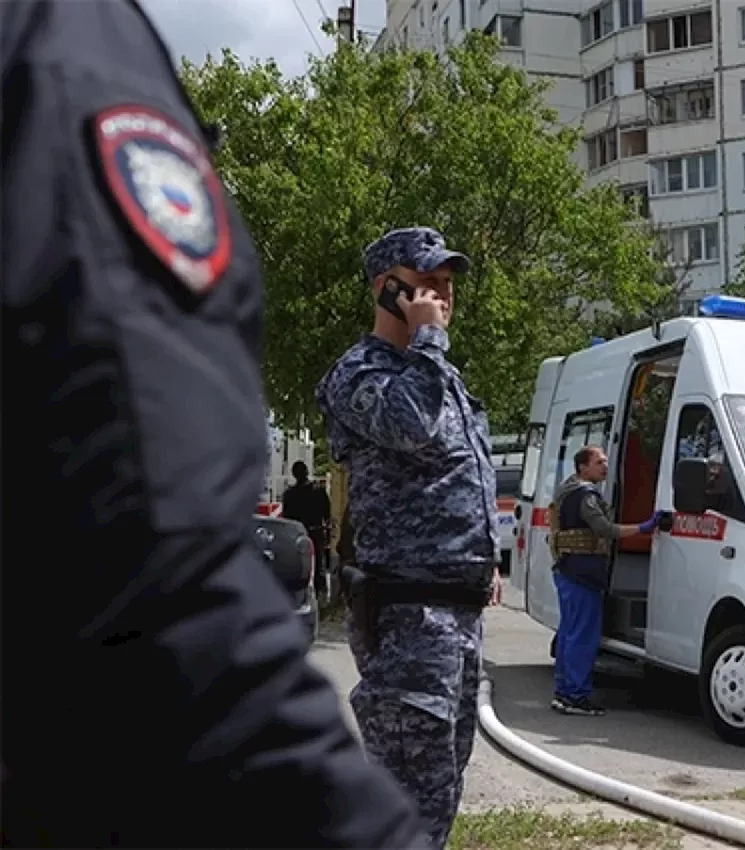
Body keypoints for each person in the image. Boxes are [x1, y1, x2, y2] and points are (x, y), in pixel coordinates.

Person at [0, 1, 428, 846]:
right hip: (394, 612)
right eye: (419, 281)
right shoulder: (65, 48)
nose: (436, 297)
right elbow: (152, 600)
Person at [315, 225, 502, 849]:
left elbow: (462, 471)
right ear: (386, 288)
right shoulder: (361, 372)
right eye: (426, 283)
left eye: (447, 285)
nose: (441, 297)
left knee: (441, 791)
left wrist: (485, 560)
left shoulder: (438, 372)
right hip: (407, 616)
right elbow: (411, 428)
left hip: (457, 612)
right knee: (407, 800)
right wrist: (428, 341)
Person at [548, 445, 666, 716]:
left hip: (567, 569)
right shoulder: (586, 496)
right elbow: (605, 529)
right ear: (583, 467)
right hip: (582, 572)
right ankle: (576, 697)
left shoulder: (566, 490)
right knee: (582, 636)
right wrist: (644, 527)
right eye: (599, 462)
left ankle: (564, 692)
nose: (605, 467)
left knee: (569, 633)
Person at [282, 460, 332, 600]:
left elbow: (287, 517)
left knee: (299, 564)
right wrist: (327, 530)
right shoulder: (318, 490)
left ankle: (301, 594)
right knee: (319, 564)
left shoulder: (289, 494)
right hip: (315, 530)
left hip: (297, 533)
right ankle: (320, 593)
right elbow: (327, 513)